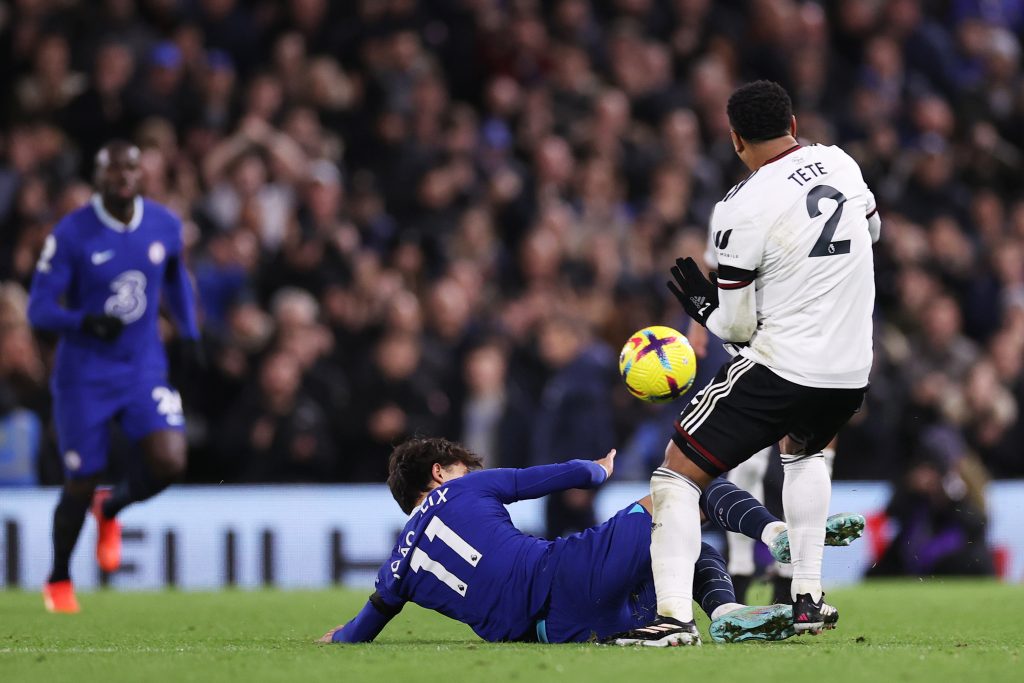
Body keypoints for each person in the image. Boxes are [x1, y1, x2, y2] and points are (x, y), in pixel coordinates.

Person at [610, 81, 879, 646]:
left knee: (676, 471)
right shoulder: (840, 163)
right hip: (851, 371)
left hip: (784, 366)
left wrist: (705, 308)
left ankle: (675, 619)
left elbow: (733, 328)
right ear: (794, 121)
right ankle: (808, 598)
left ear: (735, 140)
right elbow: (870, 231)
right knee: (803, 455)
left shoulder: (740, 206)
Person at [318, 437, 862, 645]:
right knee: (684, 487)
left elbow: (363, 627)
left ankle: (724, 614)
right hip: (565, 572)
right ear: (440, 472)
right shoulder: (466, 488)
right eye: (462, 465)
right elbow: (548, 477)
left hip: (558, 631)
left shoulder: (397, 565)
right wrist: (597, 470)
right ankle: (774, 535)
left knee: (683, 547)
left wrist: (336, 639)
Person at [27, 141, 202, 613]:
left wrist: (188, 332)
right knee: (82, 477)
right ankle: (59, 577)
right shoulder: (72, 233)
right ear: (98, 176)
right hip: (84, 372)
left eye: (131, 167)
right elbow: (38, 308)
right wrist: (82, 320)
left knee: (170, 461)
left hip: (143, 364)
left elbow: (174, 276)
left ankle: (112, 509)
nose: (123, 176)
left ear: (141, 174)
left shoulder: (164, 224)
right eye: (112, 169)